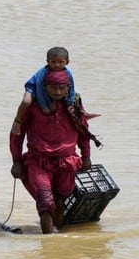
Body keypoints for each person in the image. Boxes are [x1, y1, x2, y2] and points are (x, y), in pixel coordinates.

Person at [9, 69, 94, 234]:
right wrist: (16, 161)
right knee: (45, 201)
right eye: (53, 88)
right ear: (44, 87)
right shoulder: (34, 106)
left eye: (62, 88)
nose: (58, 92)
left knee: (60, 200)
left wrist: (86, 156)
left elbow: (83, 132)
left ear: (68, 88)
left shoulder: (73, 106)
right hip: (38, 161)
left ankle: (57, 242)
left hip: (67, 161)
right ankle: (47, 244)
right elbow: (16, 134)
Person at [11, 47, 99, 136]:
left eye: (60, 62)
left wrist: (70, 103)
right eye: (53, 62)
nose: (57, 65)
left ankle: (84, 114)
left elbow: (71, 87)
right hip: (34, 87)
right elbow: (40, 90)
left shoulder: (68, 72)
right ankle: (17, 121)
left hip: (55, 87)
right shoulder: (43, 73)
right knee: (26, 101)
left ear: (67, 62)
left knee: (77, 98)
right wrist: (44, 107)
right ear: (47, 61)